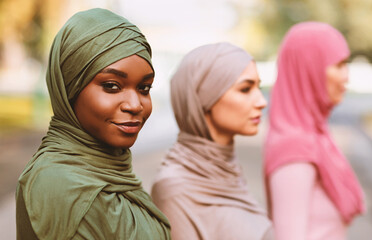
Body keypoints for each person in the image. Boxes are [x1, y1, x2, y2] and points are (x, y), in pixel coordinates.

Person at [16, 8, 170, 240]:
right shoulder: (59, 184)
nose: (135, 104)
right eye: (111, 86)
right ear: (69, 88)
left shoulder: (108, 171)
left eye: (144, 88)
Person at [151, 42, 273, 240]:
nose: (262, 101)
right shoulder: (175, 189)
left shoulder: (225, 169)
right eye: (245, 89)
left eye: (258, 87)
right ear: (205, 96)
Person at [264, 22, 365, 240]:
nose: (346, 76)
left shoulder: (317, 136)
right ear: (309, 70)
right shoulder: (295, 148)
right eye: (338, 65)